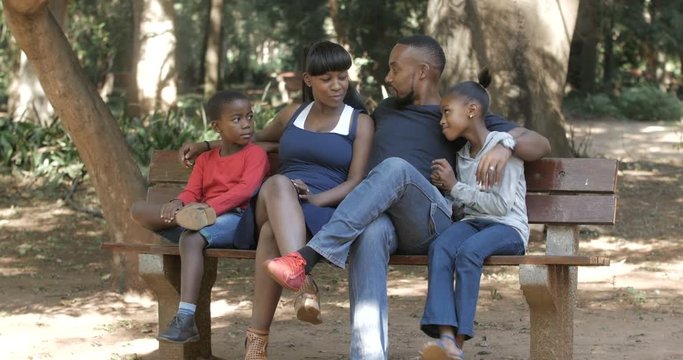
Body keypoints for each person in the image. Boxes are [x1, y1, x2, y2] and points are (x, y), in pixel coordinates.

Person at [180, 35, 549, 359]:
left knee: (395, 168)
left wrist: (507, 146)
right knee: (370, 233)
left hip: (431, 220)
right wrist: (212, 144)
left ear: (422, 72)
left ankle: (307, 257)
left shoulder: (452, 111)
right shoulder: (383, 111)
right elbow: (306, 135)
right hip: (381, 217)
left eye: (394, 68)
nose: (387, 78)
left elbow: (540, 143)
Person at [130, 91, 269, 344]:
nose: (247, 124)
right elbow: (192, 191)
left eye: (249, 117)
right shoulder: (205, 159)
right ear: (216, 127)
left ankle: (185, 320)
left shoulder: (255, 154)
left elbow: (245, 190)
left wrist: (205, 210)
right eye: (237, 119)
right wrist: (177, 204)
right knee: (139, 210)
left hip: (237, 221)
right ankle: (187, 223)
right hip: (200, 216)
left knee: (192, 239)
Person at [418, 70, 528, 360]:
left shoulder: (502, 148)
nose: (441, 120)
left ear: (471, 110)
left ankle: (458, 343)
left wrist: (456, 186)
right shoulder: (464, 153)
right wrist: (447, 192)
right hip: (473, 224)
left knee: (468, 253)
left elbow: (501, 207)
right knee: (440, 246)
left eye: (446, 112)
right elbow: (467, 207)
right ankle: (444, 338)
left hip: (508, 228)